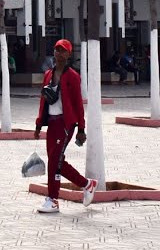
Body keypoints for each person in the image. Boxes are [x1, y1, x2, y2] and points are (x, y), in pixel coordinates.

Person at [34, 39, 98, 213]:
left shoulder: (73, 77)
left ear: (69, 54)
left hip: (65, 124)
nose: (58, 53)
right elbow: (43, 101)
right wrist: (39, 124)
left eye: (62, 51)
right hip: (52, 123)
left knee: (55, 161)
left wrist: (81, 129)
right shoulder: (48, 74)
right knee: (56, 162)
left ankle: (53, 199)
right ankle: (87, 184)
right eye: (56, 50)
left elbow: (78, 104)